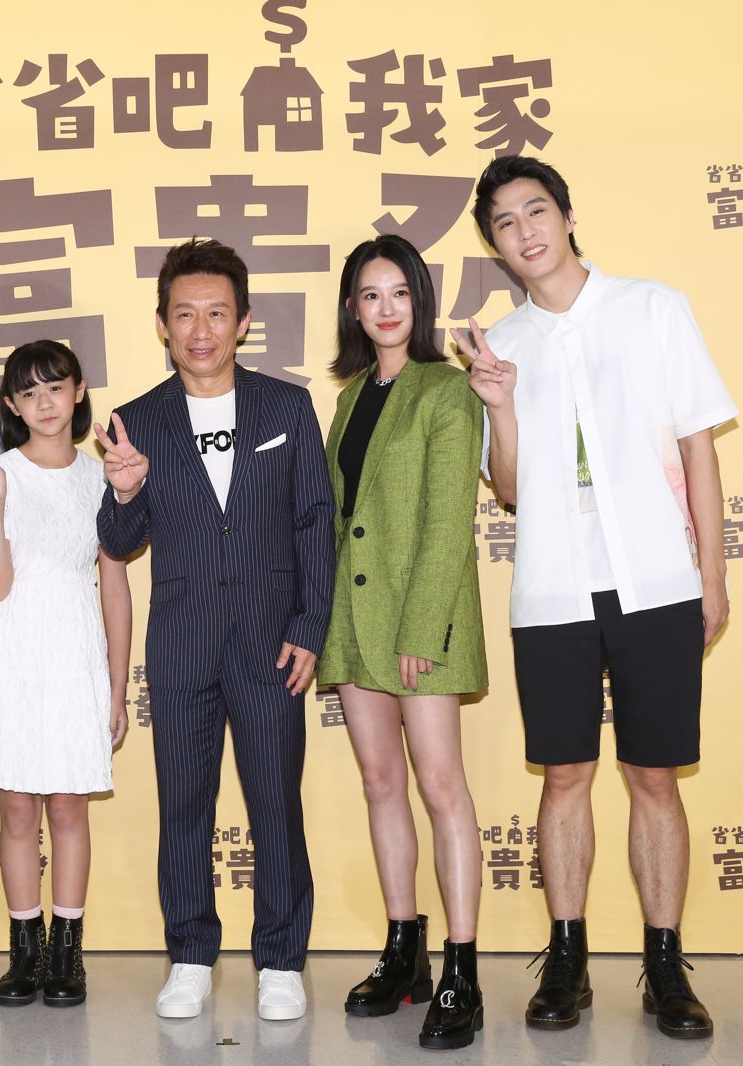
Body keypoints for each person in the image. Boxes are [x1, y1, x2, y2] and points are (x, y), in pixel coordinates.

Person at [455, 156, 736, 1040]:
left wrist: (713, 576)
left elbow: (698, 448)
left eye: (536, 210)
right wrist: (500, 405)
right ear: (495, 246)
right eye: (505, 223)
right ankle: (566, 960)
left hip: (656, 579)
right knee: (565, 774)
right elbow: (507, 489)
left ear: (568, 215)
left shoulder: (653, 308)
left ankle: (666, 966)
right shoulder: (501, 346)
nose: (525, 231)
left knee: (654, 774)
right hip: (552, 589)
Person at [94, 237, 335, 1022]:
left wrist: (310, 624)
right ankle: (191, 955)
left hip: (272, 644)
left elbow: (315, 520)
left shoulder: (285, 407)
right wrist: (124, 492)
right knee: (184, 808)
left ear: (244, 321)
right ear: (163, 324)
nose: (201, 330)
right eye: (185, 315)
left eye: (217, 314)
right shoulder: (136, 420)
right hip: (183, 644)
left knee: (276, 806)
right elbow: (119, 540)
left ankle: (282, 961)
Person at [317, 235, 487, 1050]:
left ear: (419, 302)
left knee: (442, 786)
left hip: (425, 624)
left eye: (399, 293)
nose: (385, 309)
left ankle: (462, 969)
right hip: (355, 620)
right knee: (381, 782)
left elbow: (450, 520)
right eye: (370, 295)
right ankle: (403, 950)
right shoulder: (351, 398)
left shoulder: (446, 391)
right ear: (353, 309)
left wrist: (421, 630)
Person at [0, 340, 131, 1009]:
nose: (44, 402)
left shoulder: (103, 477)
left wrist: (117, 687)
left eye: (55, 386)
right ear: (12, 406)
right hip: (10, 652)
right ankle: (25, 952)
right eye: (28, 392)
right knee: (17, 808)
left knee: (69, 805)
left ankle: (67, 952)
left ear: (79, 391)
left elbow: (115, 589)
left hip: (74, 653)